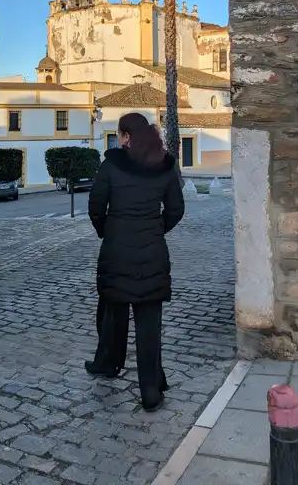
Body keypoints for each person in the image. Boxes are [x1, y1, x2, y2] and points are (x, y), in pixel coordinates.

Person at [84, 112, 185, 411]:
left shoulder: (112, 163)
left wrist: (107, 230)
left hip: (116, 250)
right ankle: (151, 388)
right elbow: (176, 210)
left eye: (118, 134)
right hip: (153, 251)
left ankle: (107, 363)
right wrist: (156, 229)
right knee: (149, 322)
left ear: (126, 136)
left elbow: (95, 205)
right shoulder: (165, 165)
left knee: (113, 312)